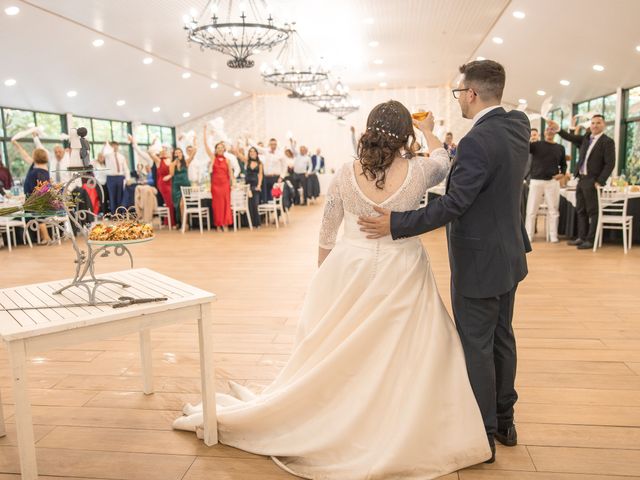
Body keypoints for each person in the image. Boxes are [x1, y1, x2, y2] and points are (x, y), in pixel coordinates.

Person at [173, 100, 491, 478]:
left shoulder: (344, 173)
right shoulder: (420, 170)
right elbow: (444, 159)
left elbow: (327, 230)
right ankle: (395, 414)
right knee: (405, 344)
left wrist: (326, 276)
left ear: (369, 130)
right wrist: (427, 130)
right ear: (404, 132)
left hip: (351, 265)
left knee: (341, 345)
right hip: (401, 267)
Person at [358, 60, 531, 463]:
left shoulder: (475, 143)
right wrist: (432, 134)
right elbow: (481, 172)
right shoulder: (517, 124)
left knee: (477, 344)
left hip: (480, 260)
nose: (459, 101)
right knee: (503, 335)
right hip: (510, 253)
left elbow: (455, 203)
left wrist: (397, 223)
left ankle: (482, 434)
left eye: (459, 93)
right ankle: (505, 421)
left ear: (471, 93)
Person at [547, 115, 615, 249]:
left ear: (604, 125)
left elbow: (610, 164)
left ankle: (590, 240)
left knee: (593, 212)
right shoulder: (586, 138)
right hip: (581, 179)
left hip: (593, 180)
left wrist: (600, 181)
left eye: (598, 123)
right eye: (593, 123)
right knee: (581, 210)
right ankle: (581, 237)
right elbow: (570, 137)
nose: (595, 125)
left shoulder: (607, 142)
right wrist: (558, 129)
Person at [524, 125, 567, 243]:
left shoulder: (560, 148)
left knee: (553, 210)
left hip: (552, 182)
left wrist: (562, 173)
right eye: (548, 129)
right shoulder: (537, 145)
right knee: (531, 210)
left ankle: (553, 236)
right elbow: (524, 147)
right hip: (536, 181)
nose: (550, 131)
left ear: (555, 133)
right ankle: (528, 235)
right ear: (544, 132)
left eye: (552, 130)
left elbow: (563, 164)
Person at [11, 140, 52, 243]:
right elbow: (24, 155)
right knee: (33, 217)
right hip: (32, 196)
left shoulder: (40, 168)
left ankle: (46, 238)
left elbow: (42, 185)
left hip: (37, 197)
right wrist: (17, 145)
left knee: (38, 216)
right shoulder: (37, 165)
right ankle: (43, 238)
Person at [204, 125, 234, 231]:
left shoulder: (227, 160)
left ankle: (225, 224)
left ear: (224, 149)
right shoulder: (213, 158)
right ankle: (218, 224)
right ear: (216, 150)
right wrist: (205, 132)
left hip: (225, 184)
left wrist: (233, 183)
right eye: (218, 148)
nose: (220, 149)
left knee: (226, 204)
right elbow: (206, 146)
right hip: (216, 185)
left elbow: (230, 173)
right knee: (217, 205)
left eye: (222, 148)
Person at [236, 146, 263, 227]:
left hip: (255, 185)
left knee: (255, 203)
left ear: (256, 153)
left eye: (253, 151)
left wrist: (259, 185)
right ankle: (249, 223)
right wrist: (236, 144)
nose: (252, 153)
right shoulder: (247, 161)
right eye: (250, 151)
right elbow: (238, 154)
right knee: (248, 204)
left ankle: (256, 223)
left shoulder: (260, 163)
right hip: (247, 185)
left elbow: (260, 175)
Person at [170, 145, 196, 228]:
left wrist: (194, 142)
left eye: (179, 152)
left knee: (183, 204)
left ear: (182, 153)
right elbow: (172, 174)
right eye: (176, 153)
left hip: (185, 186)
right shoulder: (172, 164)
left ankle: (185, 223)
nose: (178, 154)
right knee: (177, 206)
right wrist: (175, 163)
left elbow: (194, 152)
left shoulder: (186, 162)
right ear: (174, 155)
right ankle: (181, 222)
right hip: (176, 186)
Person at [255, 138, 287, 202]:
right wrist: (248, 140)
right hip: (266, 177)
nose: (273, 146)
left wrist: (281, 177)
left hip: (276, 177)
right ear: (269, 144)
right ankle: (268, 210)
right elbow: (257, 148)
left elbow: (284, 167)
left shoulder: (280, 154)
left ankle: (278, 210)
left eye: (274, 144)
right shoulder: (266, 151)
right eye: (271, 144)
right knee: (266, 196)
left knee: (276, 196)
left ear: (276, 145)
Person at [102, 141, 130, 214]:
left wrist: (128, 178)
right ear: (111, 147)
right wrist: (105, 145)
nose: (115, 147)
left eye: (116, 146)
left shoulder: (121, 156)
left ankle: (121, 213)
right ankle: (114, 214)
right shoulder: (107, 155)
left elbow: (126, 168)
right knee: (112, 196)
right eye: (113, 146)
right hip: (111, 178)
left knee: (120, 196)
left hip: (120, 177)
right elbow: (103, 152)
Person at [290, 138, 312, 205]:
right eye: (301, 150)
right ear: (300, 150)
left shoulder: (308, 158)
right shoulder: (297, 155)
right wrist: (292, 143)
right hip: (296, 174)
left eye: (303, 150)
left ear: (305, 151)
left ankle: (305, 201)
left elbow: (310, 166)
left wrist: (308, 173)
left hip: (303, 174)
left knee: (304, 188)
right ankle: (297, 201)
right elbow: (293, 149)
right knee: (295, 188)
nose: (302, 151)